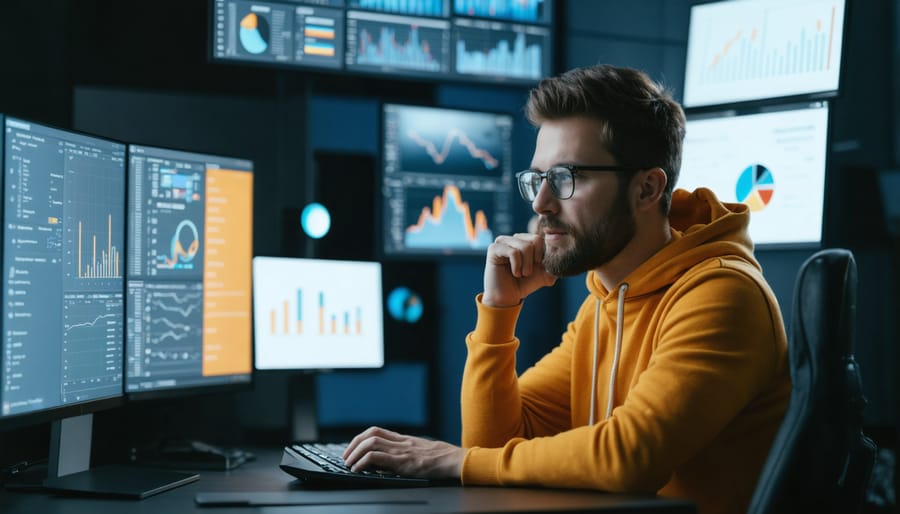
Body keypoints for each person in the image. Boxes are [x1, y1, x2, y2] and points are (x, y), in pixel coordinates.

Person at [343, 64, 791, 514]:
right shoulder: (602, 305)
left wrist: (454, 462)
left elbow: (628, 458)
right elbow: (492, 444)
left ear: (647, 188)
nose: (541, 203)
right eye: (538, 178)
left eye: (565, 177)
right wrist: (500, 309)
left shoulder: (722, 295)